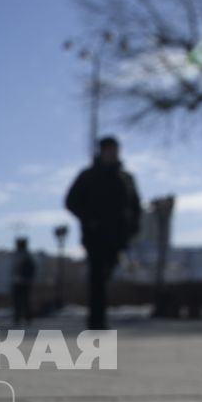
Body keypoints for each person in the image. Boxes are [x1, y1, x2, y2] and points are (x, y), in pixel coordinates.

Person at [62, 136, 142, 331]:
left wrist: (133, 227)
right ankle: (96, 320)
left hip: (118, 236)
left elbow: (136, 205)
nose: (112, 153)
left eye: (114, 150)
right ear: (101, 151)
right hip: (95, 235)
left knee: (106, 273)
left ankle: (99, 316)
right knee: (97, 276)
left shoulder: (126, 178)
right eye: (108, 150)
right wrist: (89, 218)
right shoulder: (88, 176)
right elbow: (71, 201)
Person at [9, 237, 36, 326]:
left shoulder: (20, 255)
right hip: (23, 280)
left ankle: (20, 317)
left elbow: (14, 267)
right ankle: (24, 318)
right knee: (24, 300)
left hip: (19, 280)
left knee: (20, 300)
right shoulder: (27, 255)